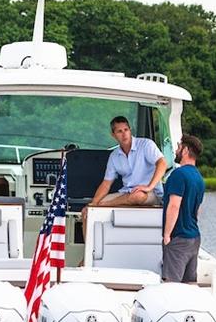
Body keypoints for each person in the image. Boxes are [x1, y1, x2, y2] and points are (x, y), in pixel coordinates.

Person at [85, 116, 167, 222]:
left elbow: (163, 163)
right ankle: (88, 238)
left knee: (137, 196)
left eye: (126, 130)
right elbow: (106, 184)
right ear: (113, 135)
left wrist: (149, 187)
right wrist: (92, 205)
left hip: (150, 194)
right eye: (119, 131)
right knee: (87, 211)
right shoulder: (114, 156)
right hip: (127, 193)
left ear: (130, 130)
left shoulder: (146, 144)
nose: (124, 134)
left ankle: (108, 204)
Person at [162, 134, 205, 284]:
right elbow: (198, 209)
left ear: (186, 150)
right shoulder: (199, 177)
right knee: (190, 283)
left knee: (171, 285)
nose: (176, 150)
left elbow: (174, 206)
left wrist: (167, 235)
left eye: (179, 147)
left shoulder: (178, 174)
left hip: (179, 237)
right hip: (194, 237)